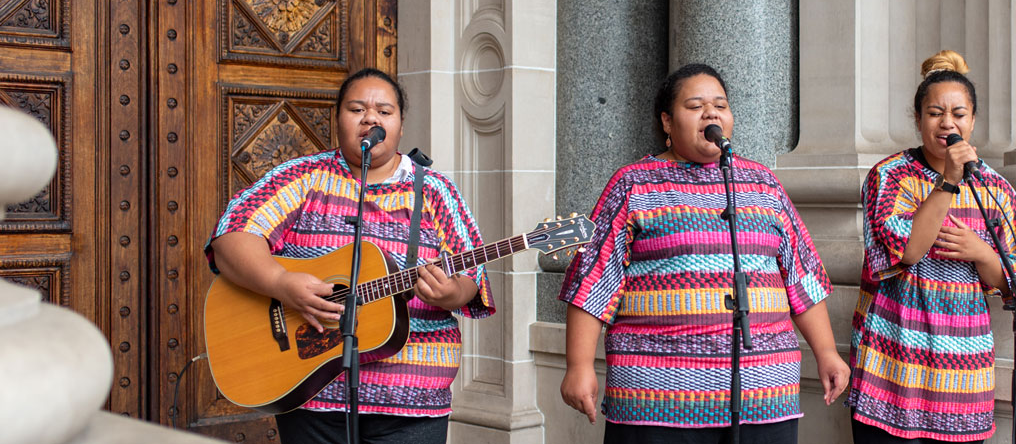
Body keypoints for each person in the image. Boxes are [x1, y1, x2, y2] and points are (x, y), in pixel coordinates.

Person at [558, 63, 850, 444]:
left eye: (720, 105)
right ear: (666, 122)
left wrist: (826, 352)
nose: (711, 113)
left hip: (763, 394)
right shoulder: (633, 185)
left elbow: (802, 275)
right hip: (656, 398)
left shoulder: (763, 184)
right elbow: (593, 278)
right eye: (695, 106)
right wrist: (578, 365)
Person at [207, 68, 494, 444]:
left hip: (412, 400)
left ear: (401, 126)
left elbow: (471, 274)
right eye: (357, 109)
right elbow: (232, 238)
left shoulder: (438, 192)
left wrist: (452, 293)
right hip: (310, 389)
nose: (370, 118)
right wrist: (282, 284)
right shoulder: (303, 177)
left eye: (384, 111)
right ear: (338, 119)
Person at [848, 50, 1016, 443]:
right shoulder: (889, 177)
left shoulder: (995, 189)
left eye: (959, 113)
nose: (947, 123)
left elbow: (1014, 285)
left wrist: (982, 252)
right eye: (935, 113)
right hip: (892, 372)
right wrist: (948, 181)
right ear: (917, 119)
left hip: (961, 381)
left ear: (973, 121)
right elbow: (906, 252)